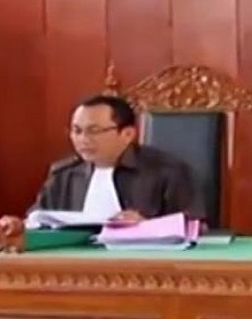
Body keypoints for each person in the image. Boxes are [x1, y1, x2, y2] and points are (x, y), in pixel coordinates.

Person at [27, 95, 204, 223]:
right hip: (74, 260)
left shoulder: (167, 171)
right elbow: (37, 220)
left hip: (142, 260)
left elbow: (196, 226)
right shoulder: (63, 174)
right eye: (77, 131)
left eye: (94, 131)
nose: (83, 139)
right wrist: (20, 226)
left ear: (127, 134)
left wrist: (147, 226)